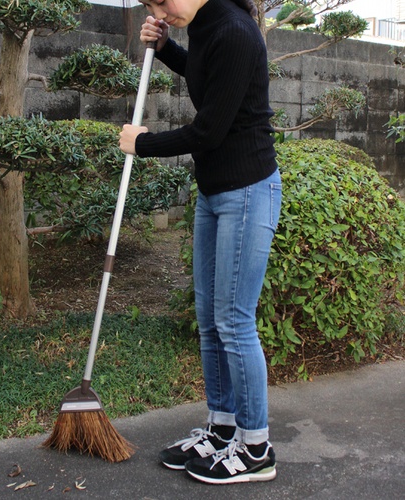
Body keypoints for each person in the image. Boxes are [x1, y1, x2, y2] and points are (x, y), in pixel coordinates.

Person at [119, 0, 282, 485]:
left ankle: (256, 450)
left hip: (247, 192)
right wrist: (167, 48)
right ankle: (221, 427)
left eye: (161, 1)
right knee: (212, 321)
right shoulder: (209, 27)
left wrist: (142, 143)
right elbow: (204, 76)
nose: (158, 10)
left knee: (234, 322)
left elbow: (209, 129)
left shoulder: (234, 30)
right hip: (215, 193)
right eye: (149, 4)